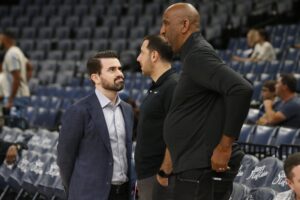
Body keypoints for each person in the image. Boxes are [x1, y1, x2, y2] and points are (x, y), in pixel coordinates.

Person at [160, 3, 253, 200]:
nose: (162, 30)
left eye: (166, 24)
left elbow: (240, 89)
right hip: (192, 166)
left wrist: (224, 147)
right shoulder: (193, 55)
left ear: (184, 25)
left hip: (198, 169)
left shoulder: (197, 55)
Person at [57, 51, 134, 200]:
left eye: (119, 68)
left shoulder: (127, 109)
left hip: (122, 193)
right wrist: (76, 191)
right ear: (95, 77)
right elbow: (64, 158)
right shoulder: (78, 110)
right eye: (112, 69)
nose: (119, 73)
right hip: (89, 194)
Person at [135, 35, 177, 200]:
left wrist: (163, 173)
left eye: (141, 53)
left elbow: (178, 134)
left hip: (160, 178)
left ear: (154, 56)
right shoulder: (158, 86)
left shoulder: (173, 86)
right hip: (149, 176)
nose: (138, 58)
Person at [0, 30, 32, 111]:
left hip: (16, 98)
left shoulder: (11, 54)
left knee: (14, 123)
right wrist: (24, 82)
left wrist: (11, 99)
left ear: (6, 39)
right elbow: (30, 67)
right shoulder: (17, 51)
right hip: (18, 96)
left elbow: (16, 78)